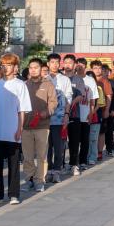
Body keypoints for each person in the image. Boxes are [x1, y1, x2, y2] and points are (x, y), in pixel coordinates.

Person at [0, 53, 31, 205]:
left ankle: (14, 194)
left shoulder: (20, 85)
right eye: (3, 65)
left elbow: (22, 109)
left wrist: (20, 128)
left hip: (12, 130)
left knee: (13, 164)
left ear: (15, 67)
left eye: (9, 65)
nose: (5, 68)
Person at [22, 58, 56, 192]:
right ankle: (29, 179)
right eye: (31, 68)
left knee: (42, 156)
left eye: (36, 67)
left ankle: (39, 181)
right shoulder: (24, 84)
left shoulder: (48, 84)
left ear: (41, 69)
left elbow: (53, 102)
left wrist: (46, 112)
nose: (33, 70)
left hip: (42, 126)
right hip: (26, 126)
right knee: (27, 156)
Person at [45, 54, 72, 182]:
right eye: (52, 62)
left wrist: (66, 114)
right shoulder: (44, 79)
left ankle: (56, 171)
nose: (55, 64)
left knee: (58, 146)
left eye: (57, 62)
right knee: (46, 147)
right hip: (45, 119)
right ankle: (48, 170)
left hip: (59, 119)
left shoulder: (65, 80)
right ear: (48, 64)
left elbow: (68, 99)